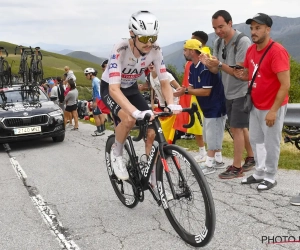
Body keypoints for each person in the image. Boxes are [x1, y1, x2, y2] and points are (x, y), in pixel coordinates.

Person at [100, 10, 181, 182]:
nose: (149, 43)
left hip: (131, 88)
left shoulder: (156, 48)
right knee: (129, 119)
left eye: (153, 37)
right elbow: (114, 90)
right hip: (111, 88)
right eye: (144, 38)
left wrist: (170, 103)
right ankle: (117, 153)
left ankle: (150, 170)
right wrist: (134, 112)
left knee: (152, 130)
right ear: (132, 33)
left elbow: (164, 81)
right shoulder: (120, 48)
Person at [234, 13, 290, 190]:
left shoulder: (277, 51)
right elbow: (250, 75)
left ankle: (270, 176)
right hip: (255, 104)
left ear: (268, 29)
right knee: (257, 140)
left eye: (258, 28)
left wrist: (274, 110)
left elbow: (285, 84)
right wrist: (241, 74)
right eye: (251, 28)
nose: (253, 32)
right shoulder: (251, 50)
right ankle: (259, 172)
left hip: (272, 105)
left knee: (271, 142)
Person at [204, 10, 255, 179]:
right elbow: (215, 69)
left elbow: (239, 72)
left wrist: (218, 64)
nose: (218, 31)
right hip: (228, 91)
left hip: (241, 90)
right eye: (215, 28)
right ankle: (251, 157)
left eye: (221, 26)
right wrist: (209, 64)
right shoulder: (218, 42)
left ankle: (237, 166)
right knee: (241, 127)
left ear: (230, 23)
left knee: (236, 128)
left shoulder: (242, 41)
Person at [174, 39, 227, 175]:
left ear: (192, 51)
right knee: (212, 133)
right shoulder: (192, 66)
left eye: (185, 50)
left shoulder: (205, 67)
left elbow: (205, 91)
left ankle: (209, 164)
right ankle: (219, 161)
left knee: (212, 134)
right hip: (206, 106)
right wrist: (185, 89)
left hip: (216, 104)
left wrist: (185, 91)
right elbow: (191, 86)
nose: (184, 52)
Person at [84, 68, 106, 136]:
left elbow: (98, 91)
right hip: (100, 99)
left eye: (86, 74)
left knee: (95, 115)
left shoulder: (95, 81)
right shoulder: (96, 80)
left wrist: (96, 101)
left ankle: (99, 131)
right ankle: (102, 129)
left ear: (90, 74)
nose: (86, 76)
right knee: (100, 114)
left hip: (97, 99)